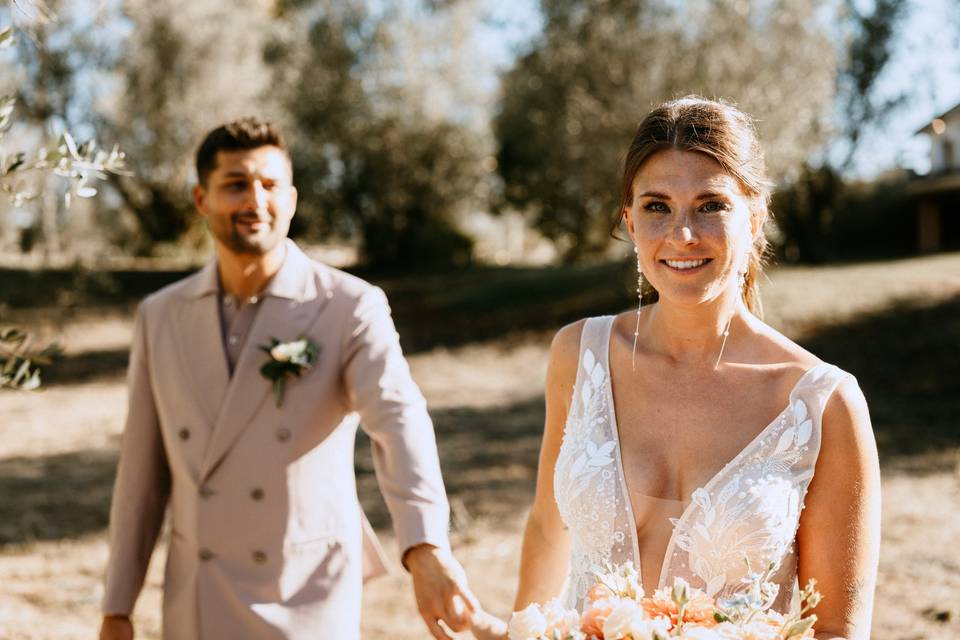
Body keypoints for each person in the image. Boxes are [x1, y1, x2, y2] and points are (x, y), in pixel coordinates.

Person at [470, 97, 881, 639]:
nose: (681, 234)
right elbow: (549, 530)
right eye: (657, 206)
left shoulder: (821, 403)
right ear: (630, 222)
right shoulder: (579, 354)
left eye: (710, 205)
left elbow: (836, 632)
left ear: (755, 219)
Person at [98, 117, 478, 640]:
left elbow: (398, 422)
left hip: (305, 593)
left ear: (292, 199)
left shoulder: (349, 306)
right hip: (198, 596)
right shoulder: (160, 315)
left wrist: (426, 547)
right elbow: (141, 473)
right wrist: (118, 606)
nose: (255, 200)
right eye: (235, 184)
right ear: (201, 200)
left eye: (270, 185)